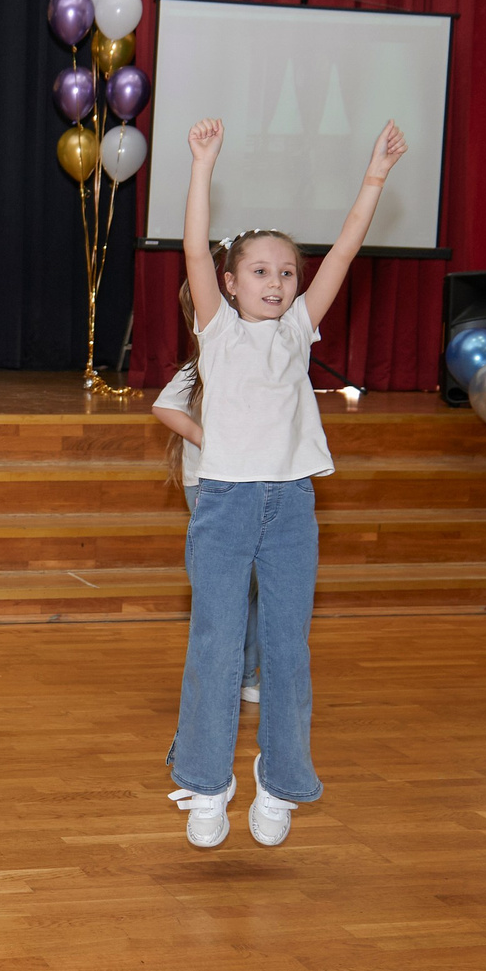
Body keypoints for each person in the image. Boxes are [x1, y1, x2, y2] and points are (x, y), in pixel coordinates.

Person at [166, 117, 405, 852]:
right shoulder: (219, 331)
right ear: (230, 283)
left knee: (286, 648)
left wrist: (373, 179)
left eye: (285, 272)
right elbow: (193, 245)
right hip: (226, 503)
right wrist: (203, 165)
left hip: (292, 504)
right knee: (214, 641)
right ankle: (207, 784)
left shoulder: (300, 330)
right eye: (259, 271)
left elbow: (345, 249)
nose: (275, 282)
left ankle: (280, 780)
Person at [154, 276, 261, 707]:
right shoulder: (201, 363)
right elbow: (165, 406)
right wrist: (206, 438)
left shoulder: (266, 357)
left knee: (252, 583)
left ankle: (249, 672)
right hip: (209, 484)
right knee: (220, 584)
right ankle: (221, 674)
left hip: (256, 482)